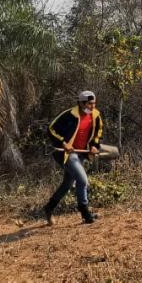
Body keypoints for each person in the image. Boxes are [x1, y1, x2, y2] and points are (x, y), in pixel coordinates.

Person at [43, 90, 103, 225]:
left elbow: (98, 133)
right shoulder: (69, 115)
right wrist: (63, 143)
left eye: (93, 103)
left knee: (68, 183)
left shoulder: (96, 116)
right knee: (82, 180)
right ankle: (85, 212)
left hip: (81, 152)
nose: (92, 106)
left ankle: (49, 207)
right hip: (66, 154)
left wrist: (94, 146)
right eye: (89, 103)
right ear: (81, 103)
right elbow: (51, 129)